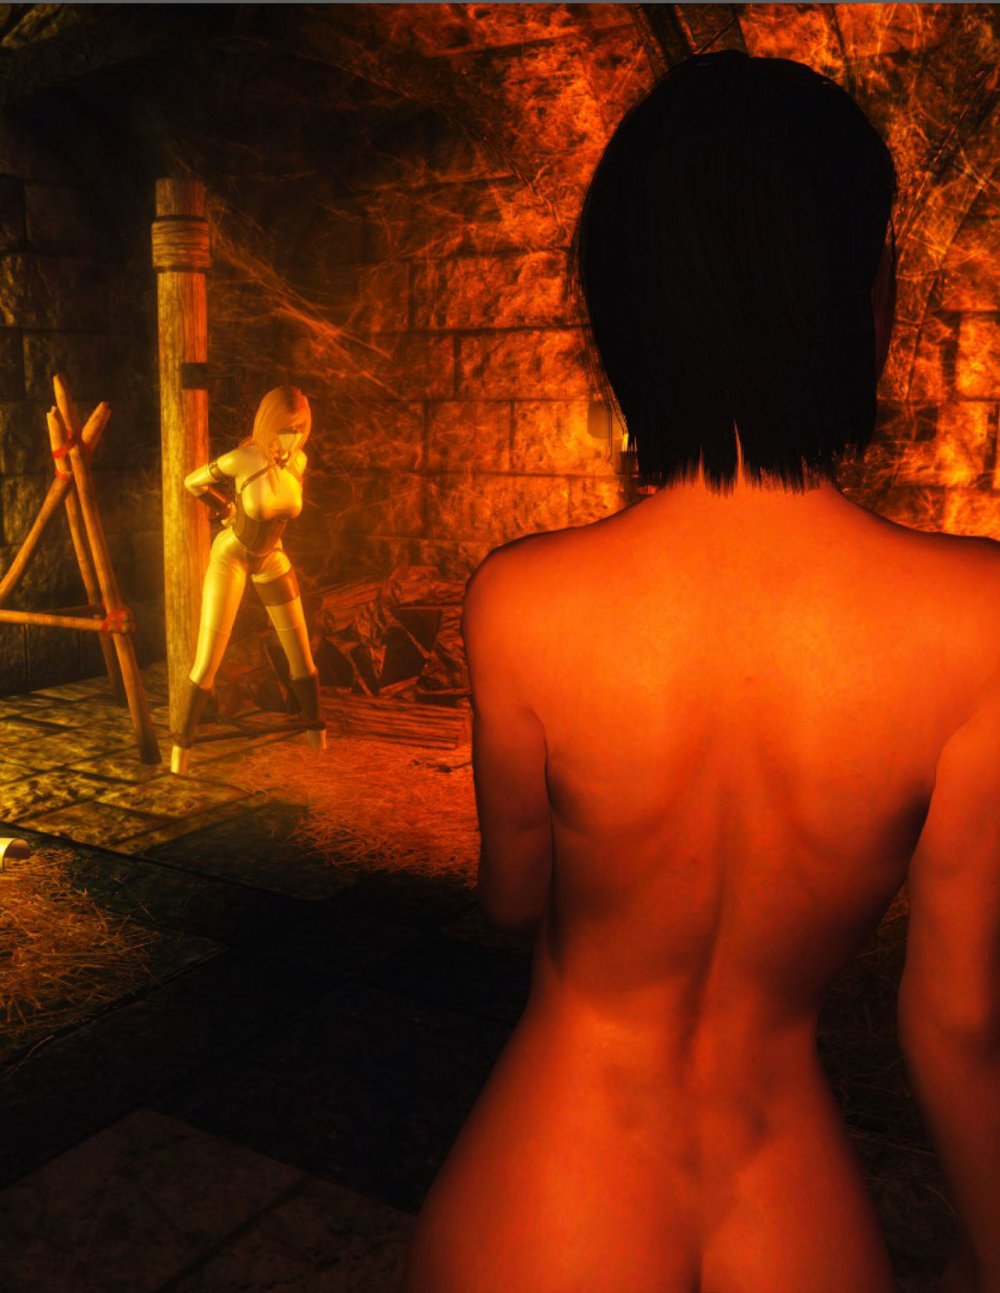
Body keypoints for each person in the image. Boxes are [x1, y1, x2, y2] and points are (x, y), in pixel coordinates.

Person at [400, 50, 1000, 1293]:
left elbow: (511, 900)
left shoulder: (521, 598)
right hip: (791, 1204)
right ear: (864, 299)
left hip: (550, 1187)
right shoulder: (978, 618)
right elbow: (957, 1024)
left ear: (628, 311)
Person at [169, 385, 326, 774]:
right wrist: (225, 509)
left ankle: (318, 735)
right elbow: (192, 482)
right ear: (268, 424)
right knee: (207, 661)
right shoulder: (242, 459)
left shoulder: (299, 461)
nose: (292, 437)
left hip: (272, 557)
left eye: (299, 429)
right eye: (285, 429)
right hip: (233, 556)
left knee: (302, 658)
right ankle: (180, 751)